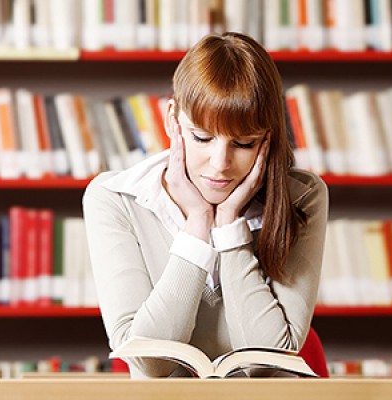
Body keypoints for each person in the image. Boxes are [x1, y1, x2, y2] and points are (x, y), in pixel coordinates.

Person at [82, 32, 328, 378]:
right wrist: (197, 226)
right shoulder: (116, 198)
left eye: (243, 143)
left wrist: (229, 228)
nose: (219, 163)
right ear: (172, 120)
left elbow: (267, 363)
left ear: (268, 138)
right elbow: (150, 363)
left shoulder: (302, 196)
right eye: (202, 138)